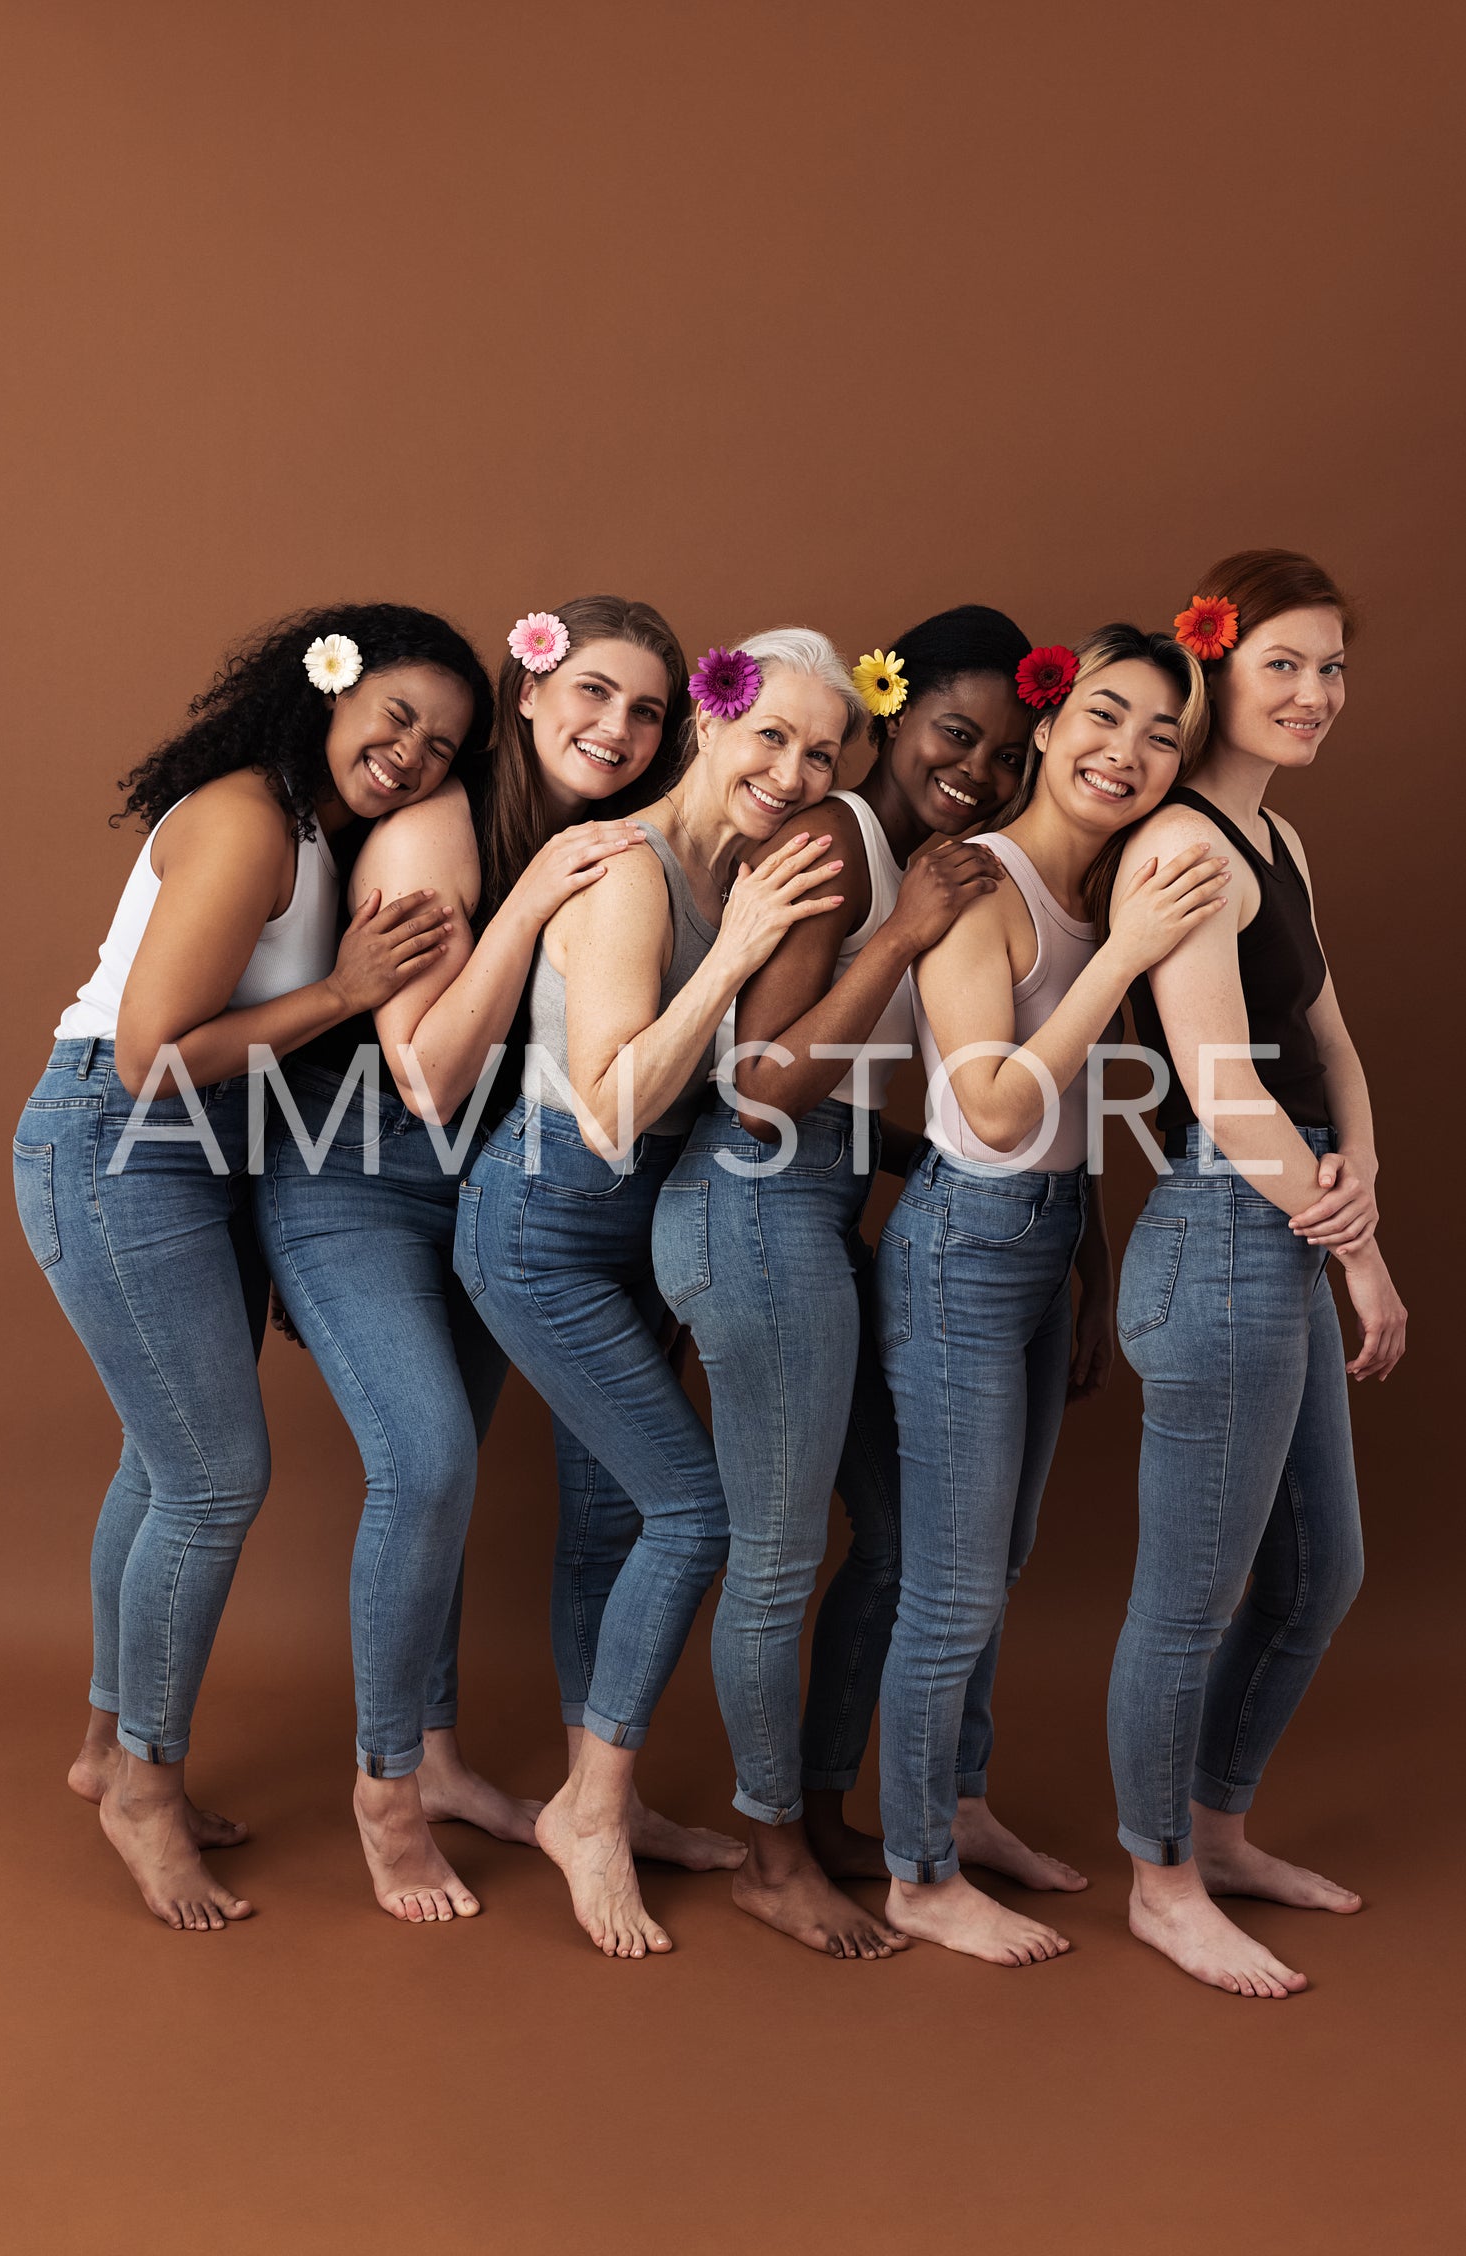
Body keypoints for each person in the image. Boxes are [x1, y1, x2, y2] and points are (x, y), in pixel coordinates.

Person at [253, 594, 736, 1923]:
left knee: (455, 1485)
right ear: (530, 690)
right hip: (355, 1178)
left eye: (646, 710)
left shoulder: (612, 845)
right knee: (429, 1461)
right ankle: (383, 1795)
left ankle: (447, 1760)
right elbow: (422, 1072)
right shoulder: (439, 824)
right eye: (591, 693)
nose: (618, 729)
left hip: (474, 1192)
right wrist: (522, 907)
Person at [13, 605, 465, 1928]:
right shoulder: (249, 817)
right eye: (394, 715)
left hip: (204, 1147)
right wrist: (346, 989)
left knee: (160, 1465)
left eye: (441, 744)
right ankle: (148, 1789)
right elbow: (155, 1049)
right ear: (326, 687)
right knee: (214, 1478)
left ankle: (110, 1745)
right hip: (119, 1133)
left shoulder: (319, 832)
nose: (412, 754)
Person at [654, 605, 1070, 1956]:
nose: (980, 771)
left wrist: (912, 1158)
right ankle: (769, 1851)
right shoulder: (839, 839)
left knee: (896, 1541)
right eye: (957, 734)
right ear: (891, 719)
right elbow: (760, 1083)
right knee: (776, 1561)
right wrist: (897, 937)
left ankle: (824, 1809)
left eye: (1009, 756)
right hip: (751, 1212)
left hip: (812, 1208)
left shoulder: (910, 849)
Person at [458, 628, 858, 1959]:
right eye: (770, 738)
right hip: (539, 1231)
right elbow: (619, 1113)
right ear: (709, 720)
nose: (794, 771)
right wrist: (736, 953)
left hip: (621, 1244)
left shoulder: (723, 864)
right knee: (689, 1512)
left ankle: (598, 1803)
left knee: (600, 1528)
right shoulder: (637, 873)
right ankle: (590, 1809)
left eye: (819, 751)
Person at [875, 623, 1226, 1962]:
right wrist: (1128, 951)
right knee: (949, 1588)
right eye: (1106, 715)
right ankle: (911, 1871)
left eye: (1161, 739)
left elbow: (1068, 1132)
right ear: (1050, 716)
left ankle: (957, 1806)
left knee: (1000, 1566)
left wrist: (1085, 1277)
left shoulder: (1102, 888)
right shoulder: (980, 883)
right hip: (961, 1245)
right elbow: (991, 1097)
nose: (1127, 753)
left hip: (1042, 1234)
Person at [1108, 551, 1407, 1998]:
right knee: (1189, 1598)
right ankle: (1157, 1880)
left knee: (1319, 1574)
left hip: (1286, 1219)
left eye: (1331, 667)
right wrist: (1347, 1246)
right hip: (1224, 1231)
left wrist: (1364, 1219)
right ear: (1211, 664)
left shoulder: (1274, 844)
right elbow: (1225, 1096)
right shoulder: (1178, 842)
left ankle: (1214, 1831)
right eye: (1281, 663)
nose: (1312, 694)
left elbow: (1330, 1048)